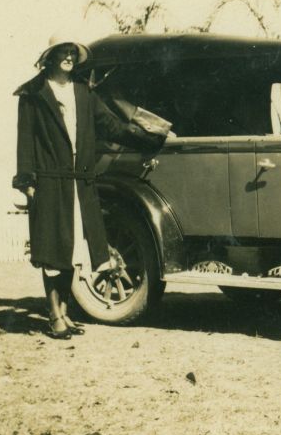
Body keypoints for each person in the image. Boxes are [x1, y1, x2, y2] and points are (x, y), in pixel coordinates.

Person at [13, 36, 167, 339]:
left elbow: (110, 126)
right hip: (50, 182)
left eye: (72, 53)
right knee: (52, 250)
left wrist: (147, 138)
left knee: (74, 249)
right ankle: (54, 314)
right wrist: (27, 181)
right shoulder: (32, 94)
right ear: (51, 57)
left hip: (80, 183)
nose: (69, 57)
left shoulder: (83, 92)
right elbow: (25, 140)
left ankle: (66, 313)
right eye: (63, 53)